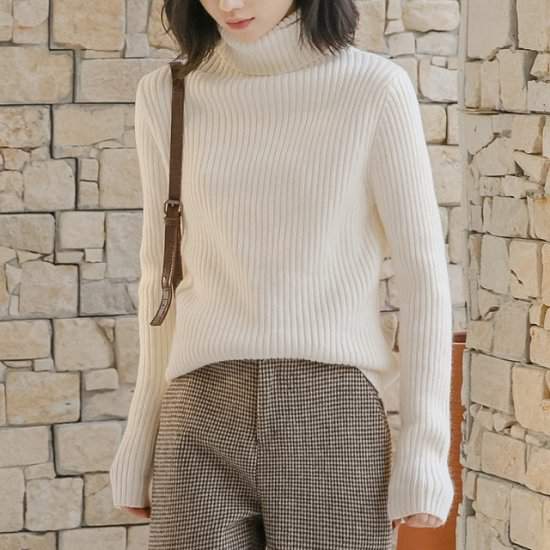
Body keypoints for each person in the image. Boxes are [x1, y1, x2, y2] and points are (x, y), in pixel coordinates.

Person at [109, 0, 455, 548]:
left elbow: (423, 278)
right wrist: (139, 437)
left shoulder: (372, 88)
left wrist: (425, 451)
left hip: (332, 414)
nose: (228, 4)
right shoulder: (167, 93)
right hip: (198, 411)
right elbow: (160, 275)